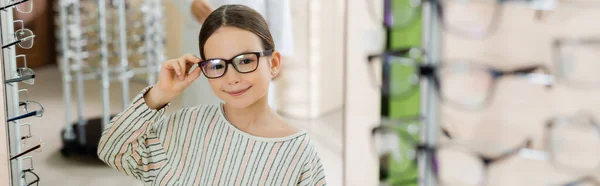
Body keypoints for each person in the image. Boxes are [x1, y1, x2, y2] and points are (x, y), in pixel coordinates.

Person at [97, 4, 326, 186]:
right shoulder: (185, 126)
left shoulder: (297, 151)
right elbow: (113, 150)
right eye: (217, 65)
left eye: (245, 60)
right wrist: (160, 94)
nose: (232, 78)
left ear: (273, 62)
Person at [172, 0, 294, 111]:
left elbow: (279, 5)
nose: (232, 79)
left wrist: (281, 47)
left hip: (254, 30)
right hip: (201, 23)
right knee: (203, 109)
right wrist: (189, 3)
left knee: (254, 107)